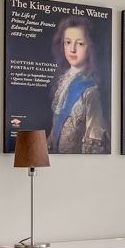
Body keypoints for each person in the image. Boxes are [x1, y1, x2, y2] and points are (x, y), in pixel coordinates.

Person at [48, 16, 109, 154]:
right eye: (68, 42)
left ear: (91, 47)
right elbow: (56, 128)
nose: (72, 49)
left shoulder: (92, 90)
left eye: (80, 43)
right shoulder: (63, 81)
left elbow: (94, 141)